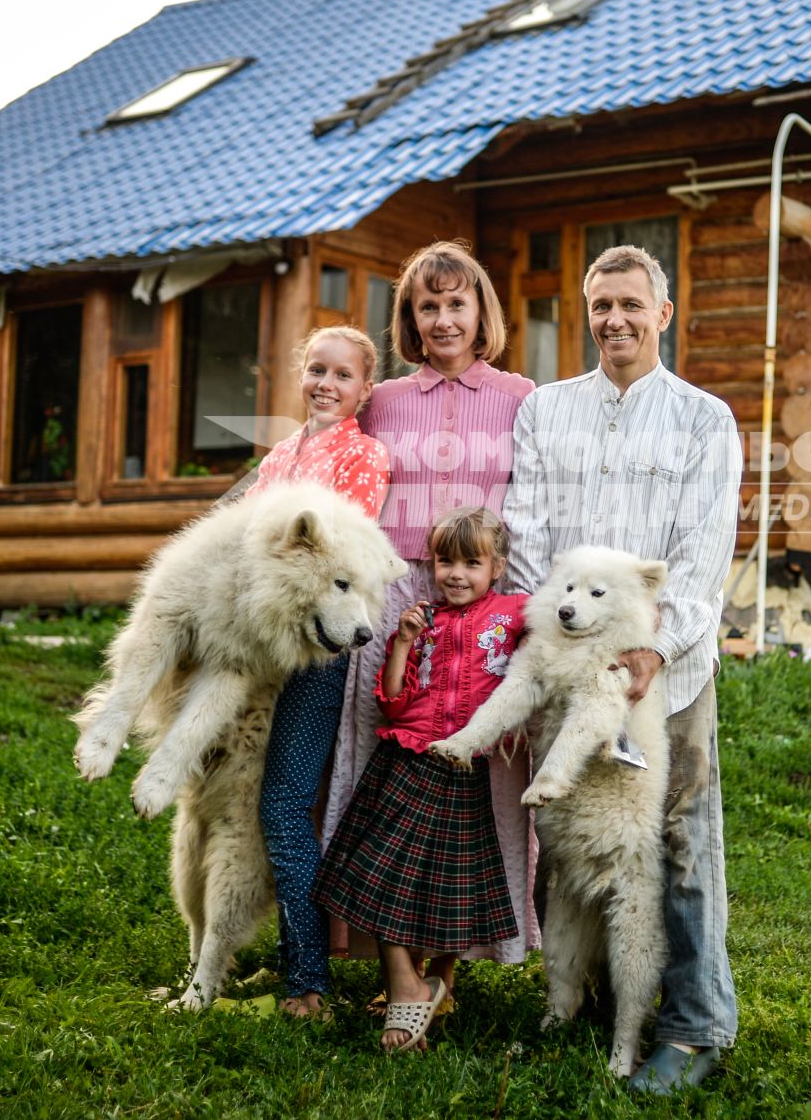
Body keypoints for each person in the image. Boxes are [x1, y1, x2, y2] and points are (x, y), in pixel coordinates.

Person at [502, 244, 743, 1095]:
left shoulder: (704, 421)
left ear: (663, 315)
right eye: (601, 305)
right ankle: (587, 1000)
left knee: (677, 840)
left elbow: (704, 554)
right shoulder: (547, 412)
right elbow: (526, 538)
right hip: (566, 673)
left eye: (632, 305)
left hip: (664, 676)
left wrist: (652, 650)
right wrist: (547, 657)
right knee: (566, 837)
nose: (615, 320)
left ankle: (695, 1023)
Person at [326, 241, 541, 985]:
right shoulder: (383, 401)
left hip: (485, 604)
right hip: (394, 594)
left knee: (488, 767)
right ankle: (379, 935)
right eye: (429, 306)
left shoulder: (521, 397)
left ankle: (467, 946)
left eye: (457, 303)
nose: (444, 318)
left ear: (481, 311)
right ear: (411, 320)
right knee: (380, 756)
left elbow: (536, 507)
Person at [313, 507, 527, 1052]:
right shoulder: (421, 620)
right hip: (405, 760)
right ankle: (406, 985)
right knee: (377, 873)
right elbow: (392, 701)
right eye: (444, 561)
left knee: (449, 886)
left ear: (497, 567)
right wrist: (404, 641)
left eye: (471, 563)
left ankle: (438, 987)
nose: (455, 573)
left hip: (464, 765)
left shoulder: (515, 613)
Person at [240, 324, 390, 1021]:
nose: (327, 385)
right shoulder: (276, 459)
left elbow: (335, 561)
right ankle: (279, 960)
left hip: (317, 658)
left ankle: (308, 985)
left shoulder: (364, 457)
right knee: (251, 802)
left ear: (365, 390)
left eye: (344, 375)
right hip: (261, 647)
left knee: (284, 804)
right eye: (317, 370)